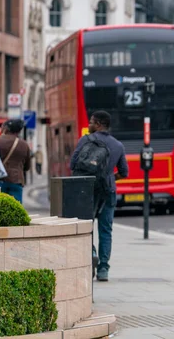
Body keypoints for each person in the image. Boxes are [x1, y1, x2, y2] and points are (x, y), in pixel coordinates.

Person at [70, 110, 128, 282]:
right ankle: (103, 268)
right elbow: (124, 172)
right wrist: (109, 177)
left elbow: (73, 164)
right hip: (107, 191)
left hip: (86, 191)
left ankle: (91, 252)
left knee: (85, 226)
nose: (89, 125)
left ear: (98, 124)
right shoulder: (118, 145)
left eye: (91, 122)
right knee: (106, 229)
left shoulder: (85, 140)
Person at [0, 120, 32, 203]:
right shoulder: (24, 145)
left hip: (0, 180)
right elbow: (27, 166)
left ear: (6, 129)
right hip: (17, 181)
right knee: (16, 209)